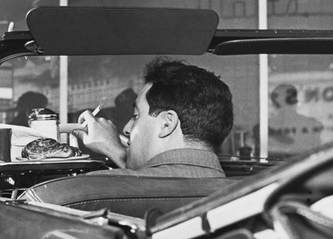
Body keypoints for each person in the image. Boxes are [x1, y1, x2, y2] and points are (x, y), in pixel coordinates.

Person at [72, 57, 232, 178]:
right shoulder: (244, 196)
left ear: (167, 123)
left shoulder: (97, 186)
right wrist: (116, 151)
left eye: (136, 116)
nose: (127, 129)